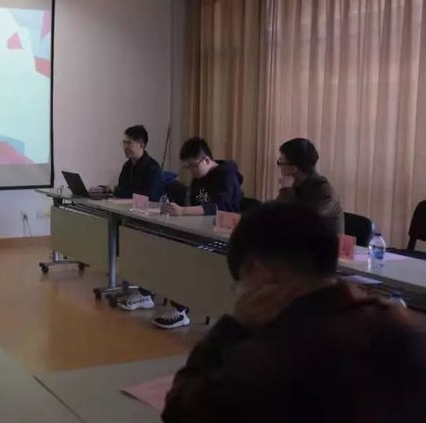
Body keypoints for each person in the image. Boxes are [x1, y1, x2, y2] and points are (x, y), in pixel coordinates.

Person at [162, 202, 426, 423]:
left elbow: (180, 411)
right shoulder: (403, 329)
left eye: (241, 284)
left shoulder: (269, 357)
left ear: (259, 272)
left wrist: (232, 326)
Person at [154, 137, 244, 329]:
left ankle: (180, 309)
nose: (191, 171)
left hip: (224, 237)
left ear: (206, 160)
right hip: (202, 231)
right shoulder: (198, 180)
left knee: (186, 254)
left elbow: (220, 206)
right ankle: (173, 301)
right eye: (187, 167)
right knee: (172, 245)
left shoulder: (227, 175)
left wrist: (184, 211)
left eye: (193, 165)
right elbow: (196, 206)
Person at [276, 137, 344, 235]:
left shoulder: (324, 193)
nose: (280, 167)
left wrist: (285, 190)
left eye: (280, 162)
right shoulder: (296, 186)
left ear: (294, 169)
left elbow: (294, 223)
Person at [113, 125, 163, 201]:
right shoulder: (127, 166)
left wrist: (120, 192)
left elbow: (149, 197)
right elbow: (120, 191)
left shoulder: (153, 168)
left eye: (129, 143)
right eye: (124, 143)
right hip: (125, 206)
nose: (125, 147)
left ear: (141, 145)